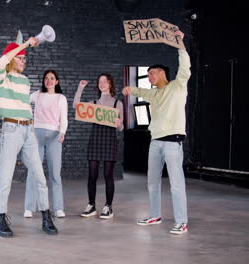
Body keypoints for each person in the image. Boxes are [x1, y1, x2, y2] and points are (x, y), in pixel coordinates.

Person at [122, 30, 190, 235]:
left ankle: (182, 221)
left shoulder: (178, 87)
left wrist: (179, 43)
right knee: (152, 182)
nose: (150, 76)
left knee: (176, 184)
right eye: (148, 74)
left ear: (162, 73)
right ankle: (155, 214)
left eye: (152, 73)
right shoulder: (154, 93)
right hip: (155, 141)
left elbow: (185, 66)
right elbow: (140, 92)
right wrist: (129, 90)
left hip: (172, 142)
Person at [0, 37, 58, 237]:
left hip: (28, 130)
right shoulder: (1, 77)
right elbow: (1, 61)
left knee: (40, 176)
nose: (24, 61)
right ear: (12, 58)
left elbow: (25, 107)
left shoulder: (25, 80)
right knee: (5, 177)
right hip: (11, 129)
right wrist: (25, 44)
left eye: (24, 58)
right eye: (20, 58)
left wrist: (31, 131)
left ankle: (46, 216)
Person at [73, 74, 124, 219]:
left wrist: (119, 123)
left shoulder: (117, 103)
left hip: (110, 140)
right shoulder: (94, 103)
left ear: (110, 84)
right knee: (92, 175)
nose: (102, 83)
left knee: (108, 175)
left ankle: (108, 207)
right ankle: (91, 205)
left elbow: (121, 127)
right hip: (95, 139)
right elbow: (76, 106)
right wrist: (80, 88)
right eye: (100, 81)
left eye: (105, 81)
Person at [24, 70, 68, 218]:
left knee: (55, 173)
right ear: (44, 81)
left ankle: (58, 208)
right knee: (33, 171)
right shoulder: (37, 95)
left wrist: (62, 132)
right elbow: (24, 102)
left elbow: (64, 118)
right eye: (46, 78)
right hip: (37, 135)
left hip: (55, 136)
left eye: (52, 78)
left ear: (57, 81)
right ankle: (29, 207)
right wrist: (30, 124)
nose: (49, 81)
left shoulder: (61, 98)